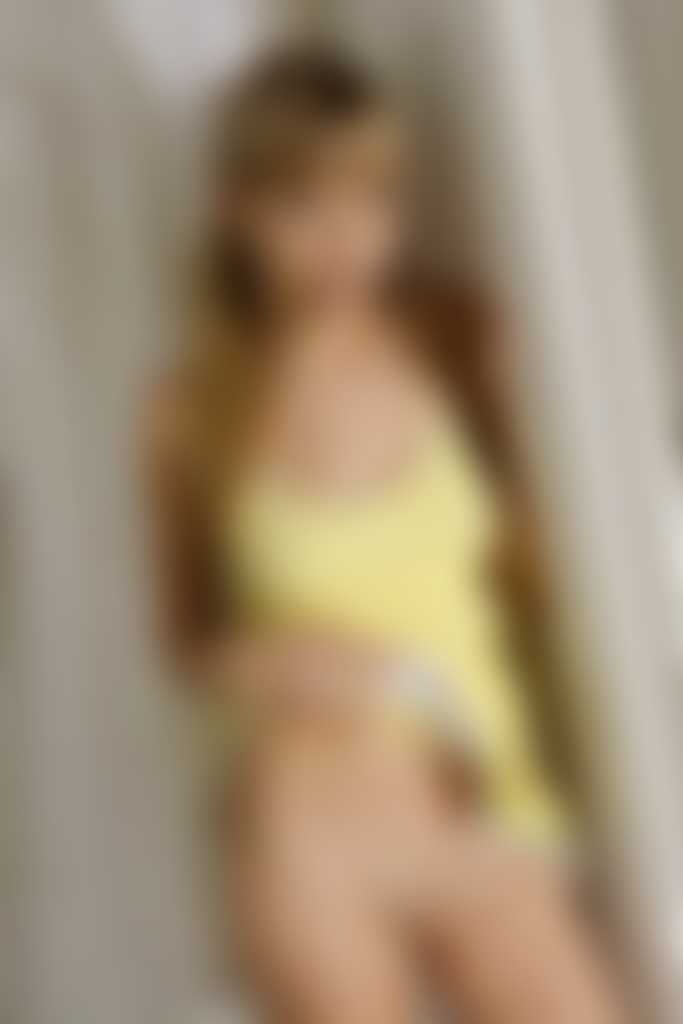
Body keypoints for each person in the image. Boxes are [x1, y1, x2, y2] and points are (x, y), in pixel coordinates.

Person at [144, 45, 624, 1022]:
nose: (342, 241)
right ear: (237, 211)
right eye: (301, 205)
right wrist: (273, 660)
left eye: (369, 202)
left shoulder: (455, 335)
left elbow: (530, 554)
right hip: (311, 823)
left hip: (477, 796)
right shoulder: (191, 409)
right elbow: (188, 639)